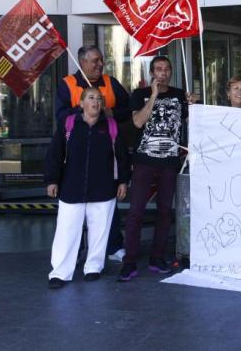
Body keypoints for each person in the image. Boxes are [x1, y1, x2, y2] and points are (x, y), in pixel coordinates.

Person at [44, 87, 129, 289]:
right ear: (81, 103)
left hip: (103, 188)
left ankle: (93, 267)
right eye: (91, 98)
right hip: (71, 187)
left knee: (99, 231)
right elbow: (55, 153)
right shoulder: (69, 124)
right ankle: (60, 273)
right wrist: (52, 180)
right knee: (66, 231)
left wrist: (123, 181)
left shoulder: (110, 125)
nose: (96, 102)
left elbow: (122, 157)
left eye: (99, 99)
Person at [120, 56, 194, 281]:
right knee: (136, 211)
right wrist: (152, 96)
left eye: (167, 69)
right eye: (159, 69)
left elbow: (192, 121)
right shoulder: (139, 94)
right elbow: (138, 122)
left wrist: (193, 105)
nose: (163, 73)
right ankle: (129, 262)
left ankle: (157, 258)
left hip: (169, 162)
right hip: (144, 161)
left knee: (164, 212)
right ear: (152, 73)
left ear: (171, 72)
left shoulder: (179, 95)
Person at [55, 45, 131, 262]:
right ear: (82, 62)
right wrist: (87, 108)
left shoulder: (110, 82)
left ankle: (113, 246)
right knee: (75, 210)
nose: (100, 64)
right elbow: (60, 116)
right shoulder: (67, 84)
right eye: (95, 60)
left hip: (106, 153)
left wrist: (110, 112)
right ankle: (77, 250)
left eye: (101, 60)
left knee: (107, 204)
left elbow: (129, 109)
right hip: (77, 155)